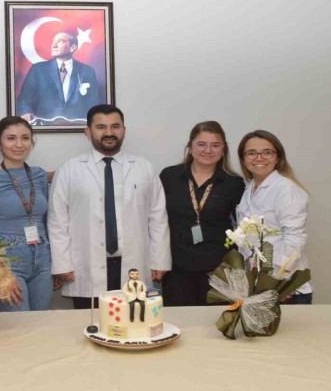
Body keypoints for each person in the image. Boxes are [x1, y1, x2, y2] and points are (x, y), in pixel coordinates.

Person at [49, 104, 171, 309]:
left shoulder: (144, 168)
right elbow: (57, 221)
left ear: (124, 130)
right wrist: (62, 263)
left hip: (133, 261)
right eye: (101, 127)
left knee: (133, 319)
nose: (109, 133)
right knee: (89, 321)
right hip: (85, 263)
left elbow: (158, 218)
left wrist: (160, 260)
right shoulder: (69, 170)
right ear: (88, 131)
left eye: (115, 126)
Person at [159, 121, 245, 306]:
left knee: (214, 320)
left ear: (223, 149)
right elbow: (156, 220)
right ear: (190, 147)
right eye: (201, 144)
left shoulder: (234, 183)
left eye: (215, 145)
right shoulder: (169, 176)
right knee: (179, 319)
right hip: (176, 268)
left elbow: (243, 228)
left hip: (220, 269)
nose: (208, 150)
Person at [0, 116, 51, 311]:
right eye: (11, 138)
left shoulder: (39, 175)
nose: (19, 144)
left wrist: (57, 263)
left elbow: (47, 220)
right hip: (7, 259)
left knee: (42, 323)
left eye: (25, 138)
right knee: (18, 324)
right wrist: (0, 269)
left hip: (42, 258)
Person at [236, 130, 312, 304]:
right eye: (252, 153)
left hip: (284, 288)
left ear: (277, 157)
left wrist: (278, 282)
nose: (259, 158)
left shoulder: (285, 188)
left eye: (267, 152)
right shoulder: (249, 189)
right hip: (258, 285)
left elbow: (295, 238)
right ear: (244, 159)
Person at [17, 31, 103, 125]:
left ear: (73, 47)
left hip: (78, 128)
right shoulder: (38, 69)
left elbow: (93, 102)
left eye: (60, 41)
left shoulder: (87, 71)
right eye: (53, 41)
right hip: (44, 127)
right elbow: (24, 99)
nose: (54, 45)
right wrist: (26, 112)